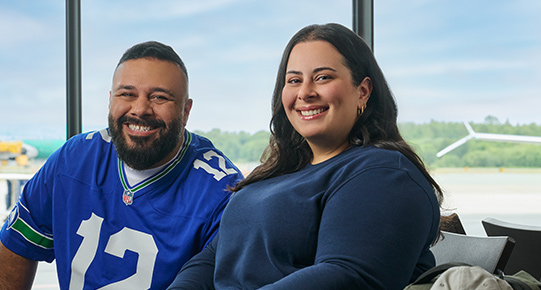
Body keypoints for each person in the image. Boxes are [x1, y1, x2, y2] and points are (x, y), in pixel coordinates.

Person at [168, 23, 443, 289]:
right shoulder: (279, 172)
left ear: (363, 91)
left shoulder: (385, 174)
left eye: (323, 77)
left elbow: (348, 275)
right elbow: (215, 256)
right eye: (294, 80)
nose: (305, 92)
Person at [0, 41, 243, 290]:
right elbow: (18, 242)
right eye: (127, 94)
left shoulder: (222, 191)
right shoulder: (73, 158)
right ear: (110, 100)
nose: (140, 109)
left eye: (159, 97)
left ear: (185, 111)